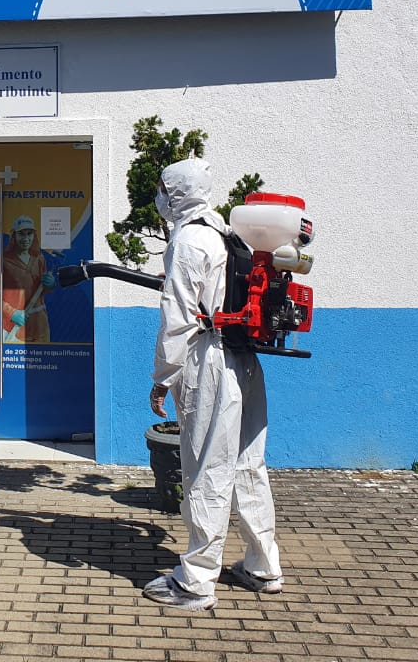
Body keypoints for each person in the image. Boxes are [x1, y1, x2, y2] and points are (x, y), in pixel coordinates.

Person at [142, 158, 283, 611]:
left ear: (177, 193)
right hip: (244, 359)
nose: (160, 197)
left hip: (209, 360)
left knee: (207, 469)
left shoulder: (189, 239)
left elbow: (178, 317)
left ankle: (196, 581)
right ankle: (263, 566)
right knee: (248, 465)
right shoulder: (228, 234)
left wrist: (162, 378)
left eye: (164, 189)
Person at [0, 215, 55, 343]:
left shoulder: (39, 259)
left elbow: (43, 290)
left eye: (29, 234)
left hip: (40, 326)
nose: (26, 238)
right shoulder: (1, 262)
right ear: (13, 236)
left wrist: (50, 284)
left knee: (42, 355)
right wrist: (12, 313)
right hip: (14, 328)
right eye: (21, 234)